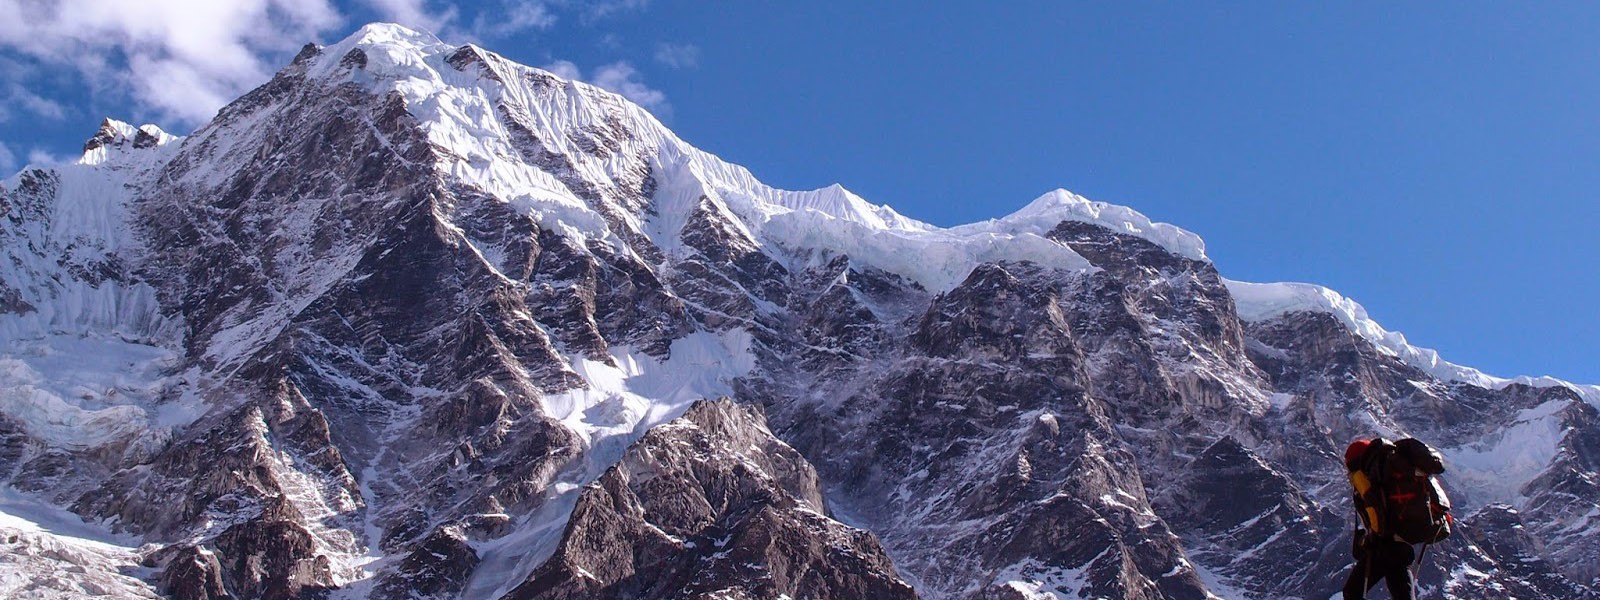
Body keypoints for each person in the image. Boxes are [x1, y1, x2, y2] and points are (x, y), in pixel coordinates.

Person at [1341, 437, 1449, 600]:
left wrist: (1371, 538)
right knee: (1401, 594)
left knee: (1352, 592)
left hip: (1385, 546)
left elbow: (1376, 515)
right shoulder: (1392, 470)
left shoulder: (1366, 478)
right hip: (1402, 542)